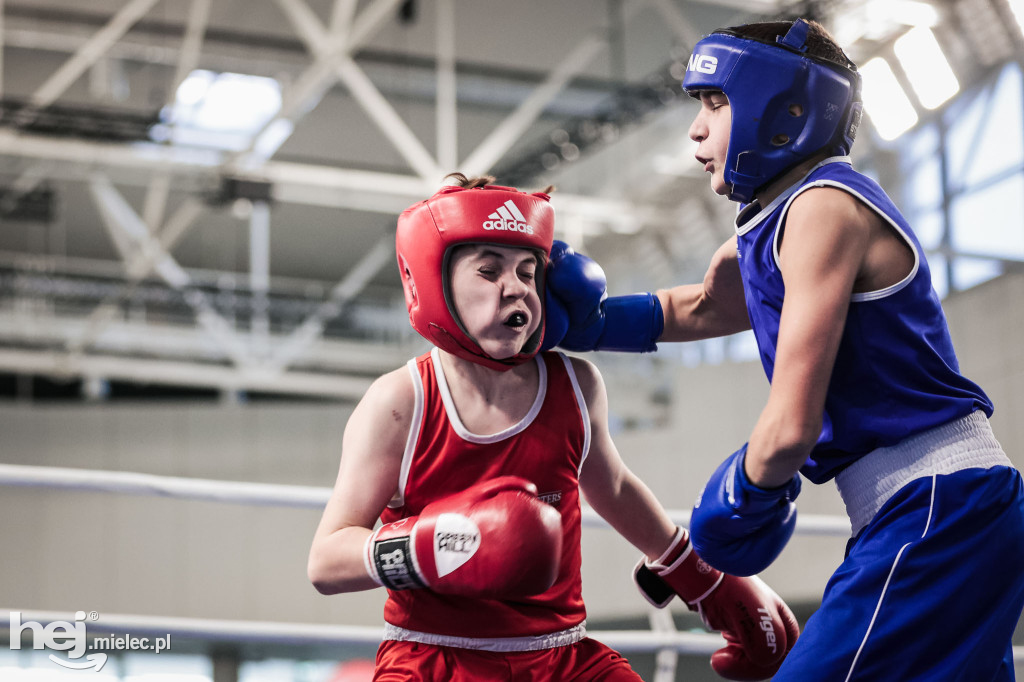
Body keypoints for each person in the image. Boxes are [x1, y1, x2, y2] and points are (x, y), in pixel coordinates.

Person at [542, 17, 1024, 681]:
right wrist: (585, 324)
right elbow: (704, 306)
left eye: (715, 102)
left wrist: (737, 504)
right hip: (940, 509)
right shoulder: (779, 221)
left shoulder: (823, 208)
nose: (696, 128)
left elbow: (790, 426)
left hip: (938, 506)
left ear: (785, 109)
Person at [307, 173, 800, 681]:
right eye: (488, 269)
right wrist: (427, 547)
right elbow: (325, 562)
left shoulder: (573, 384)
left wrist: (704, 578)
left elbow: (612, 487)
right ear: (431, 279)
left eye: (527, 270)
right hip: (435, 660)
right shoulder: (401, 402)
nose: (515, 287)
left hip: (561, 657)